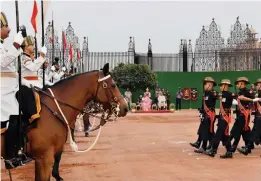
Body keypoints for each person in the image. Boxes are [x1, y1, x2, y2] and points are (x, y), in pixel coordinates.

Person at [0, 12, 33, 168]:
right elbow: (3, 63)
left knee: (18, 118)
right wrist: (16, 45)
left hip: (8, 90)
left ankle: (18, 152)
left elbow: (11, 65)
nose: (9, 28)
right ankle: (9, 157)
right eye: (6, 26)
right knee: (14, 120)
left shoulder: (1, 45)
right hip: (3, 92)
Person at [204, 79, 235, 158]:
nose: (220, 87)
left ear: (226, 86)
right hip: (222, 115)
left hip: (225, 116)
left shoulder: (229, 94)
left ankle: (213, 150)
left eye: (222, 85)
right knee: (225, 135)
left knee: (218, 133)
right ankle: (229, 151)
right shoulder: (222, 94)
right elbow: (216, 96)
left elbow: (237, 96)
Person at [229, 77, 259, 153]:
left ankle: (234, 146)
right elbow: (236, 97)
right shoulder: (240, 92)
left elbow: (246, 97)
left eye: (239, 83)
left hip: (244, 114)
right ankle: (249, 144)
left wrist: (251, 100)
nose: (238, 85)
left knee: (239, 130)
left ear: (243, 84)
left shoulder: (247, 91)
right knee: (244, 129)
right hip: (240, 114)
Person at [237, 78, 261, 155]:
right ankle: (249, 147)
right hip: (258, 116)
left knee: (254, 132)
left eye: (258, 84)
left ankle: (248, 148)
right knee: (256, 132)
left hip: (259, 116)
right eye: (257, 84)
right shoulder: (257, 93)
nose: (257, 86)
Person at [194, 77, 218, 153]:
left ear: (210, 85)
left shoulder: (212, 93)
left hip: (210, 115)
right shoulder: (205, 94)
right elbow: (203, 105)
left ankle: (209, 146)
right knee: (205, 131)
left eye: (206, 84)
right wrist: (201, 111)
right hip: (205, 115)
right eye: (204, 84)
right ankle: (205, 146)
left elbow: (217, 96)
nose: (204, 86)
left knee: (209, 131)